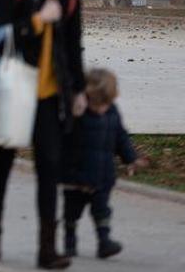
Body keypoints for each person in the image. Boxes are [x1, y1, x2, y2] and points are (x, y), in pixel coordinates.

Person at [0, 0, 90, 270]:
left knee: (50, 167)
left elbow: (74, 46)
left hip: (49, 91)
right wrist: (37, 20)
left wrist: (78, 90)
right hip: (15, 85)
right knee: (4, 162)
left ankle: (48, 249)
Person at [61, 68, 147, 260]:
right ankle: (69, 242)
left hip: (102, 175)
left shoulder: (112, 112)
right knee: (71, 212)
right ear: (86, 97)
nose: (102, 109)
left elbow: (120, 137)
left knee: (102, 210)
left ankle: (104, 242)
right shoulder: (76, 113)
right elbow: (63, 140)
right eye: (97, 104)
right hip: (76, 176)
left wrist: (130, 158)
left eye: (106, 103)